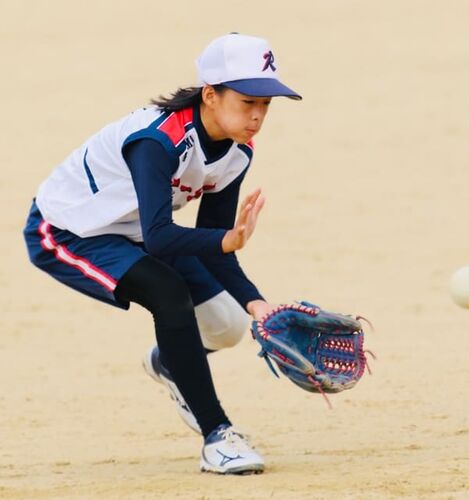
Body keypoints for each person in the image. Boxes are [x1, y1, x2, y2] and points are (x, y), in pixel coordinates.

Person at [23, 33, 301, 475]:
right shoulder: (157, 141)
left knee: (228, 324)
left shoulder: (237, 151)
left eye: (266, 103)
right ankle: (217, 437)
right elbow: (162, 239)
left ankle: (169, 362)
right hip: (69, 229)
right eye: (248, 100)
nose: (257, 115)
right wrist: (224, 241)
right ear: (210, 95)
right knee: (168, 292)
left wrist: (257, 304)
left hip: (141, 229)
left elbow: (213, 242)